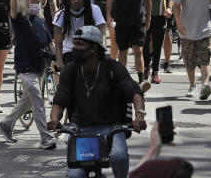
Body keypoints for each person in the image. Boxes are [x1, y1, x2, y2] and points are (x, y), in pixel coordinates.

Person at [48, 25, 146, 178]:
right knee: (75, 175)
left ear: (94, 48)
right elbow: (60, 99)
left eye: (80, 44)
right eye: (74, 44)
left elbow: (135, 92)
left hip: (112, 129)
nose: (75, 48)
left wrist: (139, 116)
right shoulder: (70, 70)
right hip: (81, 131)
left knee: (118, 156)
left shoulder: (114, 68)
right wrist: (54, 119)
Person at [0, 0, 56, 149]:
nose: (38, 0)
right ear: (25, 0)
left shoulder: (40, 19)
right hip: (25, 67)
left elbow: (49, 42)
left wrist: (55, 60)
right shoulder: (20, 19)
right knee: (38, 102)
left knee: (27, 103)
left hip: (39, 67)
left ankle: (6, 125)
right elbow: (13, 9)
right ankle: (46, 138)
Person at [106, 0, 152, 89]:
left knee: (138, 50)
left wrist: (148, 18)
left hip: (138, 22)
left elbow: (148, 0)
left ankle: (141, 80)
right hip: (121, 22)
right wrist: (109, 16)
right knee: (123, 52)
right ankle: (122, 79)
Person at [140, 0, 174, 85]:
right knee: (146, 43)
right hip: (144, 14)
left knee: (158, 43)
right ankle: (145, 69)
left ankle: (155, 72)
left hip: (160, 13)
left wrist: (170, 8)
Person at [54, 0, 106, 68]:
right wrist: (60, 63)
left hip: (90, 51)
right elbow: (58, 42)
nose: (76, 1)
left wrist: (101, 55)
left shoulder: (94, 10)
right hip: (70, 51)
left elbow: (103, 34)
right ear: (68, 0)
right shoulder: (60, 15)